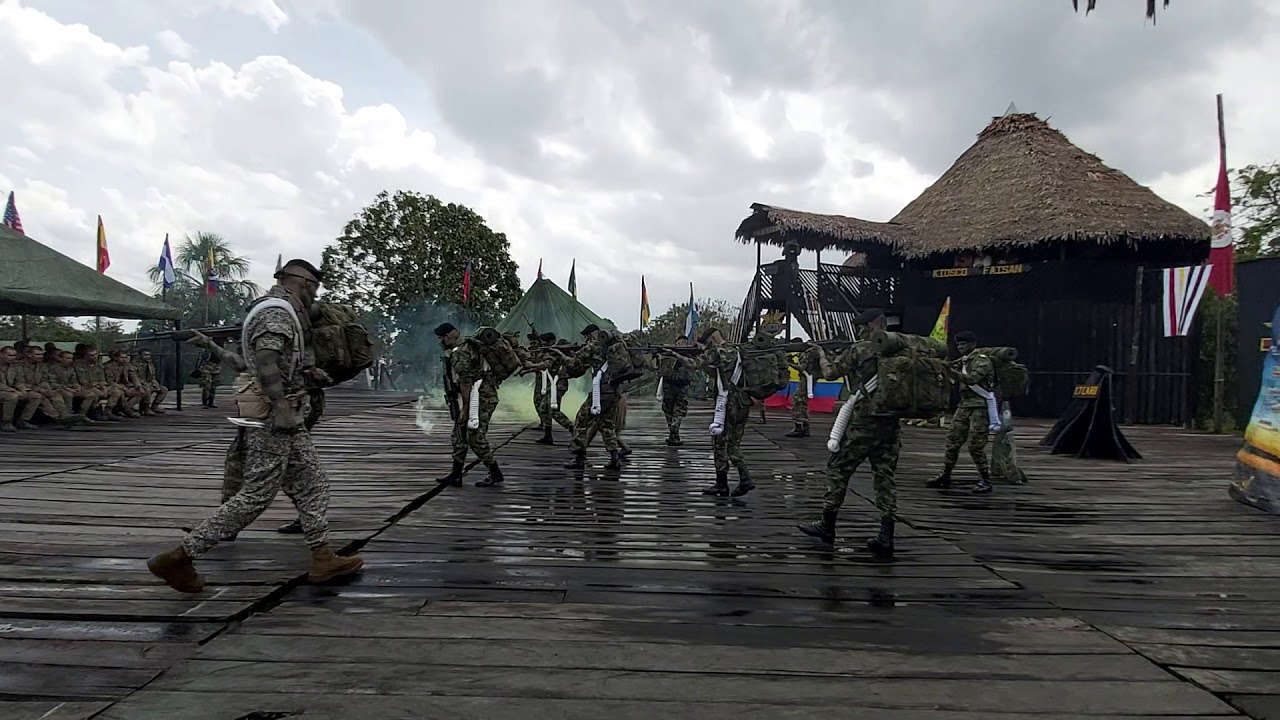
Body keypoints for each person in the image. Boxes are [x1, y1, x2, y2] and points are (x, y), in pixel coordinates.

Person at [148, 259, 363, 593]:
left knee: (314, 483)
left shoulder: (277, 311)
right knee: (256, 495)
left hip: (288, 413)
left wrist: (306, 375)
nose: (314, 297)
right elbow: (264, 360)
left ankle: (322, 555)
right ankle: (180, 557)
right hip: (274, 418)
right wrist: (280, 406)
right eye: (314, 288)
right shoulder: (276, 311)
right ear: (304, 282)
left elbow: (254, 363)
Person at [797, 308, 898, 559]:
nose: (858, 331)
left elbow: (831, 372)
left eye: (861, 327)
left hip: (864, 421)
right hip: (890, 421)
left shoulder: (861, 349)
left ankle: (827, 525)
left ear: (872, 325)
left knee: (838, 469)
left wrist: (821, 354)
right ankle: (886, 535)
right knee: (884, 476)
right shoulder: (901, 348)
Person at [435, 322, 505, 488]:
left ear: (450, 335)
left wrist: (465, 410)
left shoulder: (461, 352)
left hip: (479, 398)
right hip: (473, 396)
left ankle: (495, 473)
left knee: (475, 437)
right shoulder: (466, 348)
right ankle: (456, 474)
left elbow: (466, 382)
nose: (441, 342)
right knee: (459, 435)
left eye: (442, 338)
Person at [927, 330, 995, 495]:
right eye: (958, 345)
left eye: (964, 344)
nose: (961, 347)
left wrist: (952, 373)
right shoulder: (964, 360)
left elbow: (972, 379)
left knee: (975, 445)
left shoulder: (981, 361)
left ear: (972, 344)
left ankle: (986, 479)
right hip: (964, 405)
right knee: (953, 441)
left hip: (980, 406)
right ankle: (946, 474)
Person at [556, 324, 628, 471]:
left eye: (588, 335)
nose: (586, 338)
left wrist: (560, 354)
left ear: (594, 334)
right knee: (607, 425)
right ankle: (614, 458)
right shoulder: (616, 345)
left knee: (581, 420)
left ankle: (579, 457)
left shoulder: (593, 346)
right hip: (614, 390)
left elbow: (574, 363)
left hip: (600, 391)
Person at [696, 327, 754, 497]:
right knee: (734, 443)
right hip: (742, 402)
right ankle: (743, 479)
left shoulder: (721, 352)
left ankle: (726, 483)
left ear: (712, 338)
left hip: (728, 404)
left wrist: (681, 355)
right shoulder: (737, 351)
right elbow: (718, 374)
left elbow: (694, 364)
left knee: (720, 443)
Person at [531, 332, 575, 445]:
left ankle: (573, 429)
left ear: (551, 342)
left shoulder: (557, 353)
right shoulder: (550, 352)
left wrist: (530, 366)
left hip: (558, 384)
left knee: (553, 411)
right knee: (543, 408)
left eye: (545, 343)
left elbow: (546, 364)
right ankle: (547, 435)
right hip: (552, 384)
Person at [657, 335, 693, 446]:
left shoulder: (688, 354)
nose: (681, 344)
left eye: (683, 342)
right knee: (672, 411)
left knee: (675, 411)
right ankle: (674, 434)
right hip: (673, 386)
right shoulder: (670, 354)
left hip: (678, 386)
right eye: (679, 342)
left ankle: (674, 431)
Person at [74, 347, 120, 422]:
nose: (94, 357)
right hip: (86, 386)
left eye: (95, 355)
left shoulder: (99, 365)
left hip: (98, 386)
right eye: (91, 355)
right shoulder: (79, 365)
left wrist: (103, 386)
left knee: (116, 391)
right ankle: (96, 411)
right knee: (95, 393)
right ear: (86, 356)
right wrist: (96, 386)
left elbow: (102, 378)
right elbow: (82, 380)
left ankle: (108, 411)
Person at [105, 349, 145, 417]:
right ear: (116, 358)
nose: (124, 359)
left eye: (125, 357)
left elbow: (133, 376)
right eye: (122, 357)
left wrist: (138, 386)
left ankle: (125, 408)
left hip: (125, 385)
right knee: (120, 392)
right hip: (112, 386)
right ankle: (126, 410)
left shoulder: (127, 365)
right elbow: (109, 381)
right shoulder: (109, 366)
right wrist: (122, 387)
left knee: (141, 392)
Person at [786, 337, 811, 438]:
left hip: (806, 379)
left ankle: (799, 427)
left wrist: (790, 364)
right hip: (807, 378)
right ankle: (805, 427)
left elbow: (802, 368)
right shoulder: (805, 353)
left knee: (798, 402)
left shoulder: (805, 354)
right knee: (802, 402)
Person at [133, 348, 168, 414]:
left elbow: (152, 376)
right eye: (145, 355)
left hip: (149, 383)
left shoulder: (150, 364)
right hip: (139, 384)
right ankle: (146, 408)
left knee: (163, 389)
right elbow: (135, 377)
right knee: (147, 390)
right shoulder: (135, 364)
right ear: (140, 355)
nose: (147, 356)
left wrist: (155, 384)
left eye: (149, 355)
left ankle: (155, 406)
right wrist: (145, 384)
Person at [197, 341, 223, 408]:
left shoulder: (220, 349)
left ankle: (211, 402)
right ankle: (205, 403)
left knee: (214, 386)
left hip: (216, 367)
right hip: (207, 367)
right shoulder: (208, 349)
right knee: (207, 385)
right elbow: (203, 357)